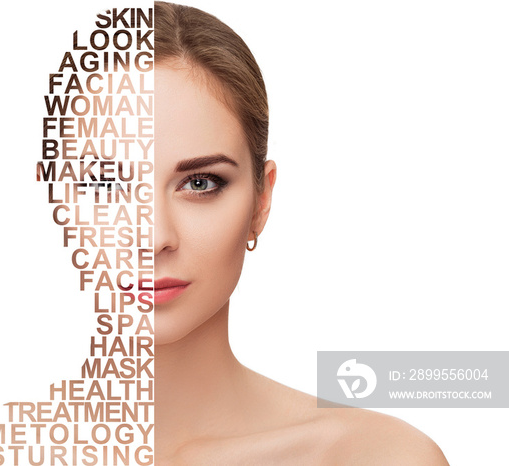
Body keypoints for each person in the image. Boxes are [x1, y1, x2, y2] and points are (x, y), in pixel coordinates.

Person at [152, 2, 449, 464]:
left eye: (200, 183)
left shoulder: (375, 457)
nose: (155, 237)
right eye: (102, 184)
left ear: (260, 201)